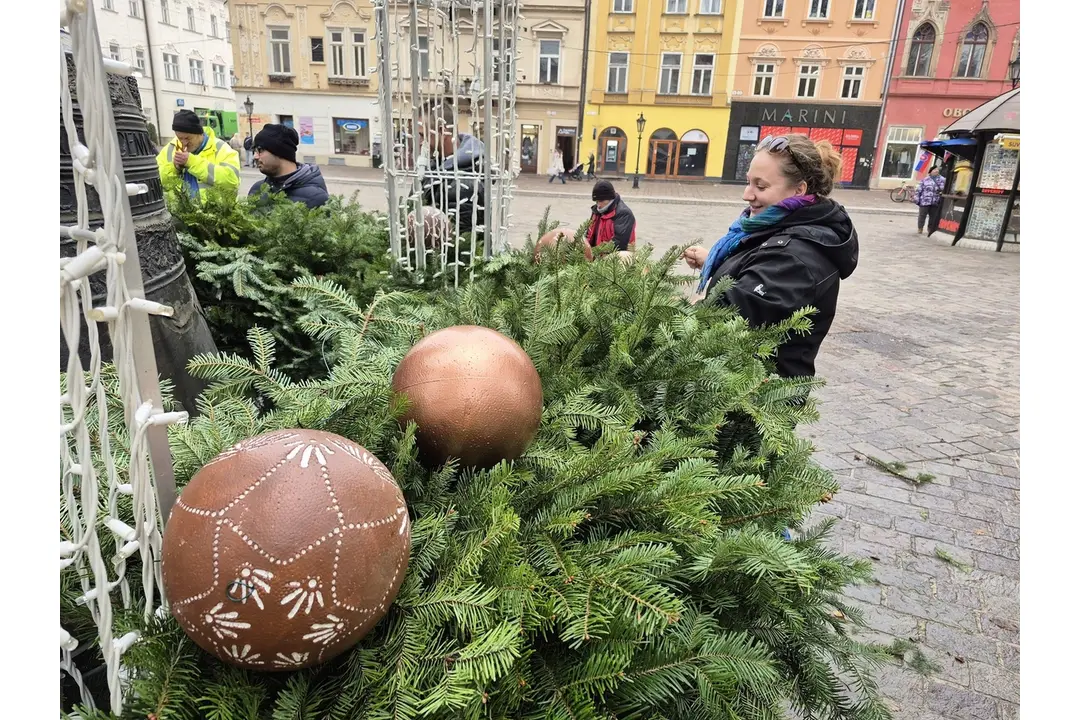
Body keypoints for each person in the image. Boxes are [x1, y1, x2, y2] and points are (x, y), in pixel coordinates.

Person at [681, 134, 858, 379]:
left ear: (799, 190)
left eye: (760, 186)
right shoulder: (773, 228)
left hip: (756, 395)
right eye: (748, 182)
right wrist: (714, 259)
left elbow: (728, 316)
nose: (747, 194)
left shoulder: (796, 256)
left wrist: (675, 308)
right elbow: (756, 265)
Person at [417, 99, 486, 237]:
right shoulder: (435, 166)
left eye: (423, 135)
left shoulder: (463, 184)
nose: (420, 142)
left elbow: (460, 244)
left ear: (442, 132)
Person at [156, 109, 240, 199]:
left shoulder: (221, 148)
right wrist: (174, 167)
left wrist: (192, 162)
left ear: (199, 133)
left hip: (215, 212)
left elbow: (232, 181)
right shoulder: (169, 149)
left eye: (188, 138)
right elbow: (156, 181)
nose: (184, 143)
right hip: (179, 212)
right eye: (180, 138)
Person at [247, 124, 329, 209]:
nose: (255, 156)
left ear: (279, 152)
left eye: (260, 150)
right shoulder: (257, 190)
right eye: (254, 151)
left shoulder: (316, 198)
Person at [584, 180, 636, 252]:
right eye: (597, 201)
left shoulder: (624, 213)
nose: (599, 205)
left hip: (615, 257)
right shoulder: (597, 211)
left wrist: (596, 252)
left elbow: (619, 243)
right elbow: (589, 234)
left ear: (610, 198)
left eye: (601, 201)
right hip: (596, 256)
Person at [915, 166, 946, 236]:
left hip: (935, 201)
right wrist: (917, 199)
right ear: (931, 171)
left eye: (937, 169)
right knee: (922, 215)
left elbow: (945, 189)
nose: (936, 171)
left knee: (933, 216)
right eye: (934, 169)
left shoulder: (942, 179)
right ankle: (920, 228)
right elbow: (919, 190)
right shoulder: (925, 180)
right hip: (924, 201)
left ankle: (930, 229)